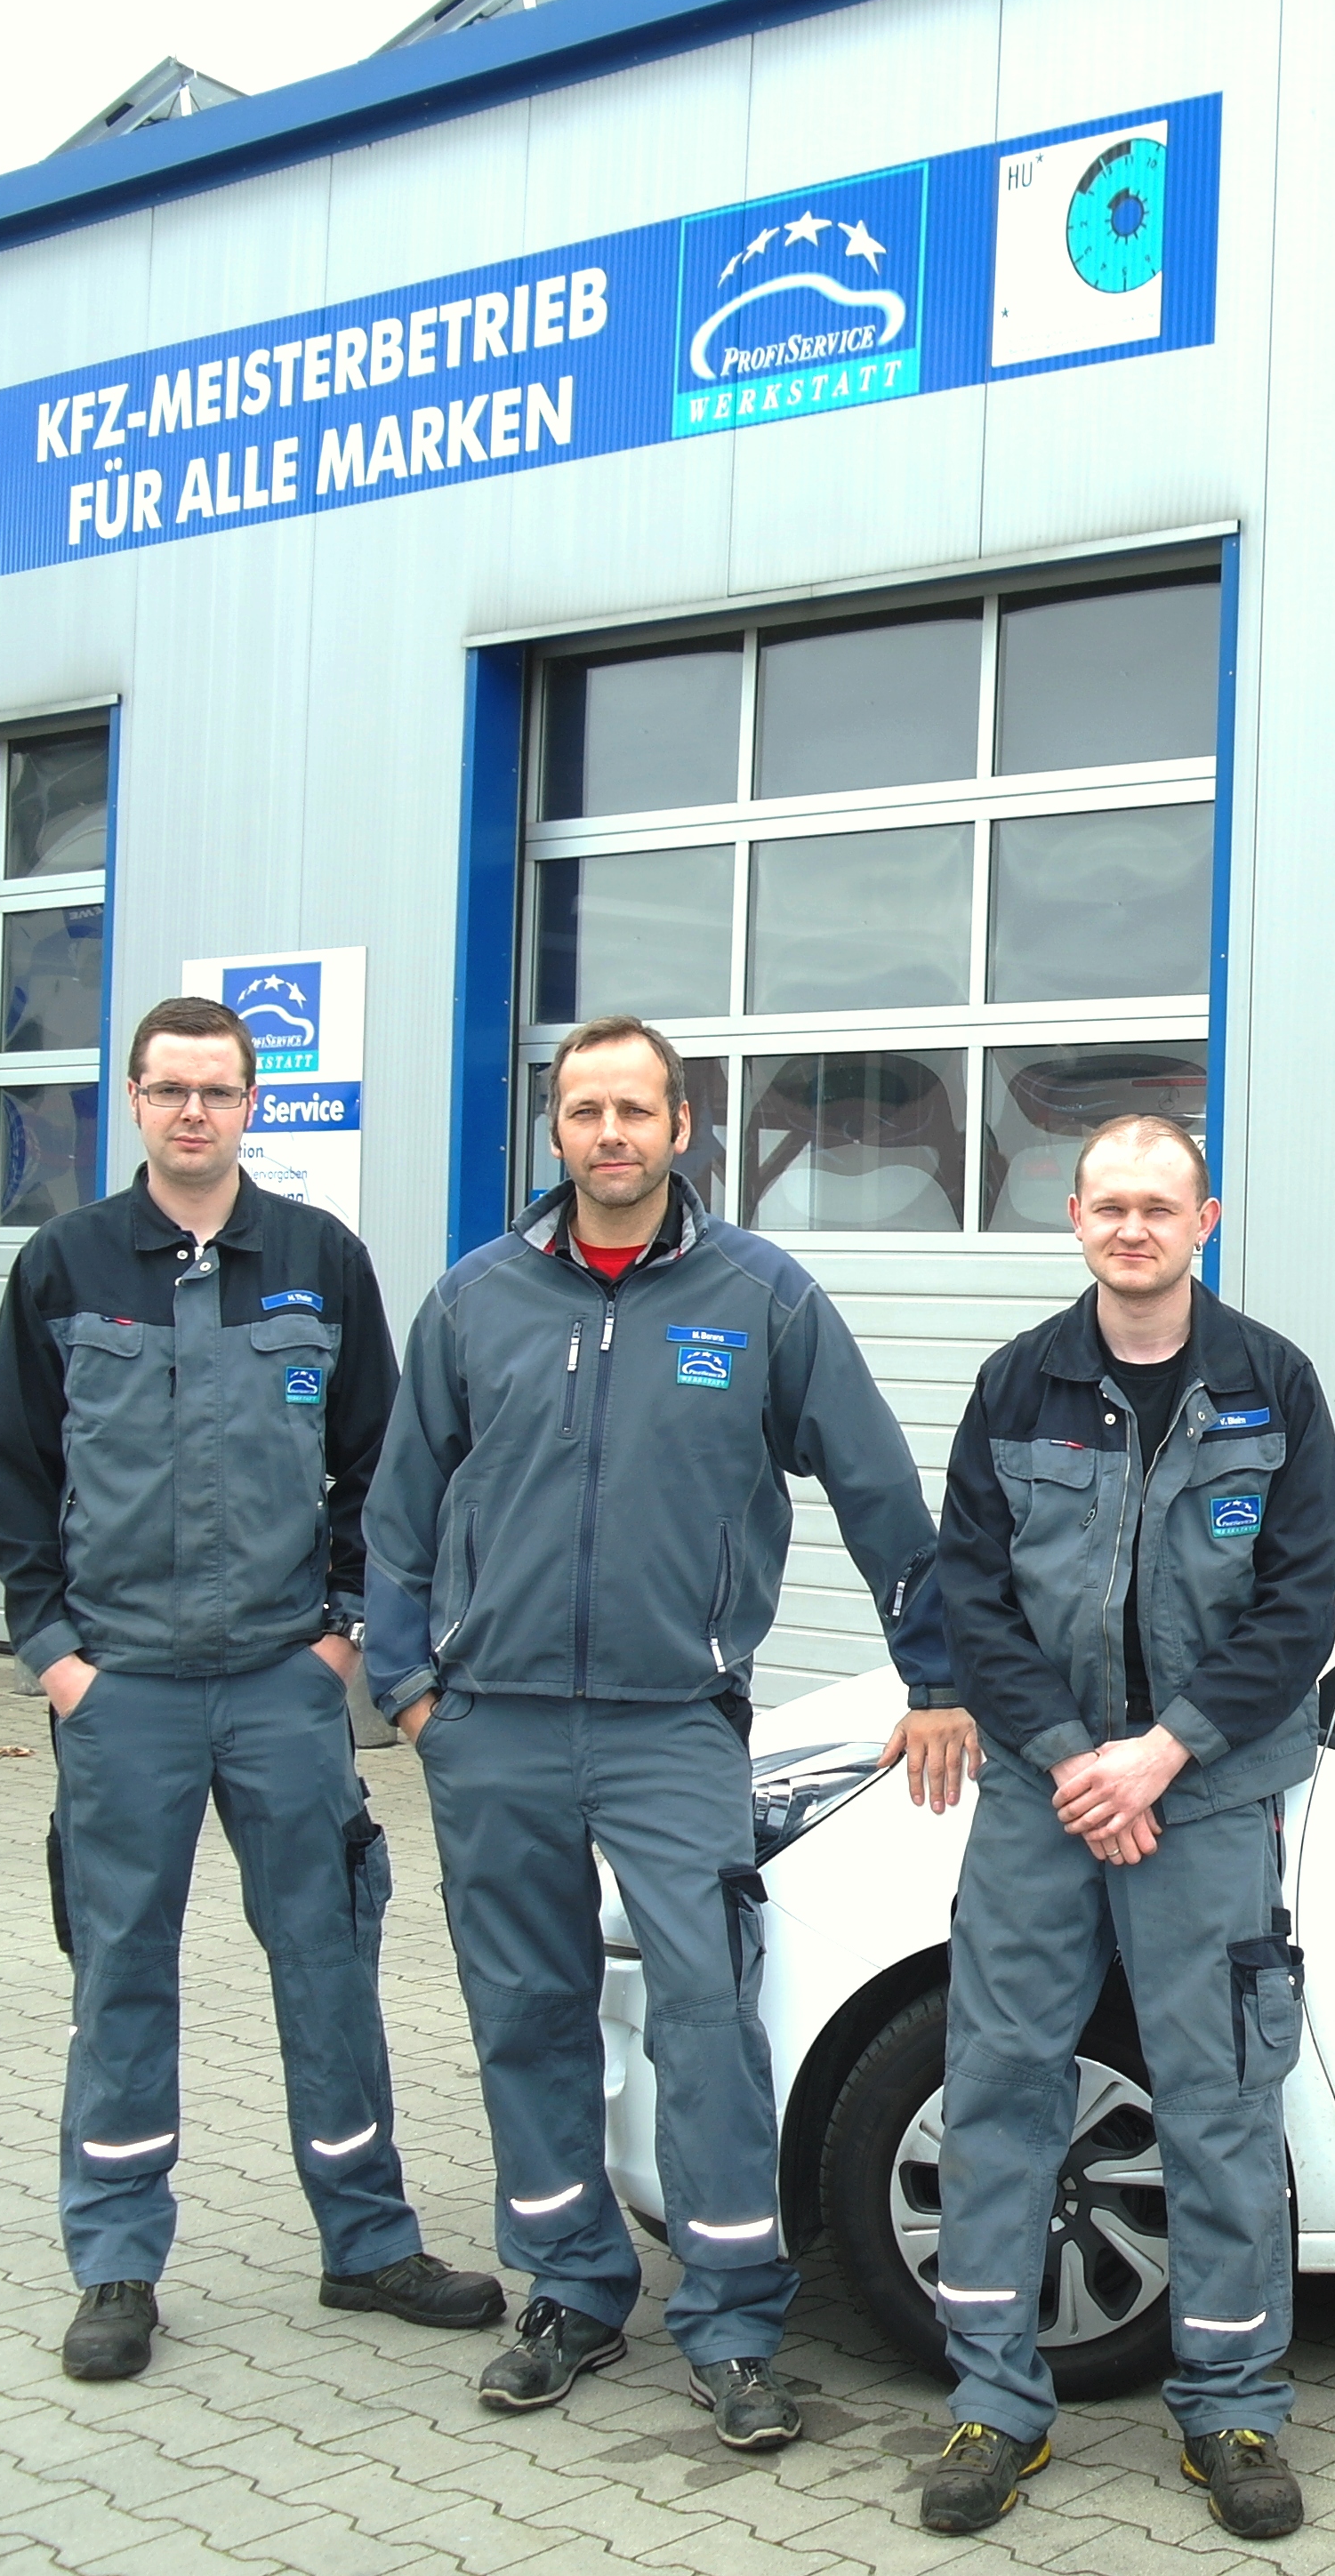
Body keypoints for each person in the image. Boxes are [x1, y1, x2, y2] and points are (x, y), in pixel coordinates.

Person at [365, 1015, 961, 2453]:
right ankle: (570, 2287)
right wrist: (410, 1687)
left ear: (682, 1127)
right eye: (586, 1109)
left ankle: (737, 2320)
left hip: (671, 1727)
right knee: (527, 2009)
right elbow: (398, 1506)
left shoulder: (760, 1298)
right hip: (495, 1724)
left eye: (636, 1108)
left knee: (704, 2013)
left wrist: (934, 1673)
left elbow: (876, 1484)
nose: (611, 1132)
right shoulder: (475, 1299)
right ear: (556, 1129)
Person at [0, 994, 503, 2383]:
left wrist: (343, 1636)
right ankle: (116, 2262)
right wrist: (58, 1658)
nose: (194, 1111)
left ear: (251, 1102)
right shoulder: (66, 1265)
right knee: (121, 1974)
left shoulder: (321, 1260)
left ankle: (368, 2240)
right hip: (124, 1690)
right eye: (171, 1089)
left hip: (282, 1681)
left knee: (329, 1960)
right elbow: (14, 1473)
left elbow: (385, 1468)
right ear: (135, 1101)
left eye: (218, 1089)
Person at [916, 1111, 1335, 2541]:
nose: (1132, 1227)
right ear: (1077, 1219)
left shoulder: (1273, 1385)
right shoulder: (1018, 1383)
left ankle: (1232, 2409)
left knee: (1219, 2101)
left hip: (1204, 1794)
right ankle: (994, 2400)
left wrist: (1160, 1755)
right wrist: (1071, 1759)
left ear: (1204, 1220)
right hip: (1045, 1798)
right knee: (999, 2085)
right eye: (1108, 1203)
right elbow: (973, 1593)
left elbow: (1296, 1609)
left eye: (1160, 1205)